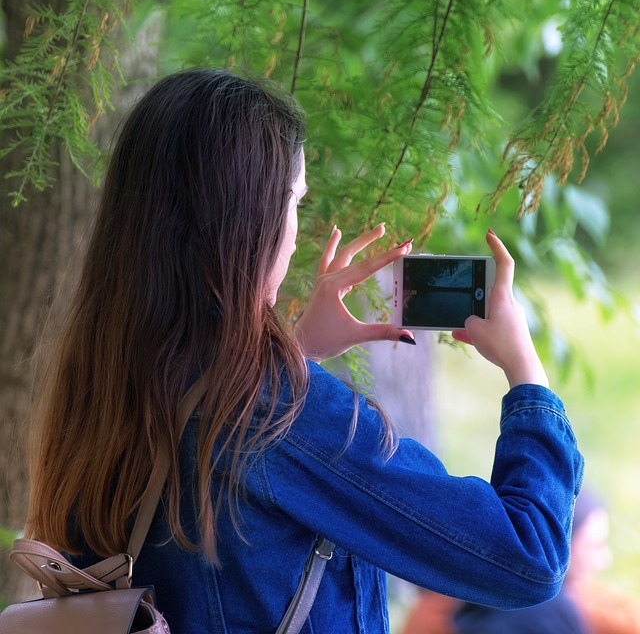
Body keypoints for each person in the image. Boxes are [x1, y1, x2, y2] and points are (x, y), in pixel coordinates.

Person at [25, 68, 584, 633]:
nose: (295, 230)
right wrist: (526, 374)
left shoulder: (107, 367)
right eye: (295, 201)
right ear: (247, 220)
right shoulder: (270, 408)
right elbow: (525, 557)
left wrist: (296, 353)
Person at [402, 490, 640, 634]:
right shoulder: (540, 608)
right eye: (593, 546)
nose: (603, 559)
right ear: (561, 547)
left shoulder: (488, 573)